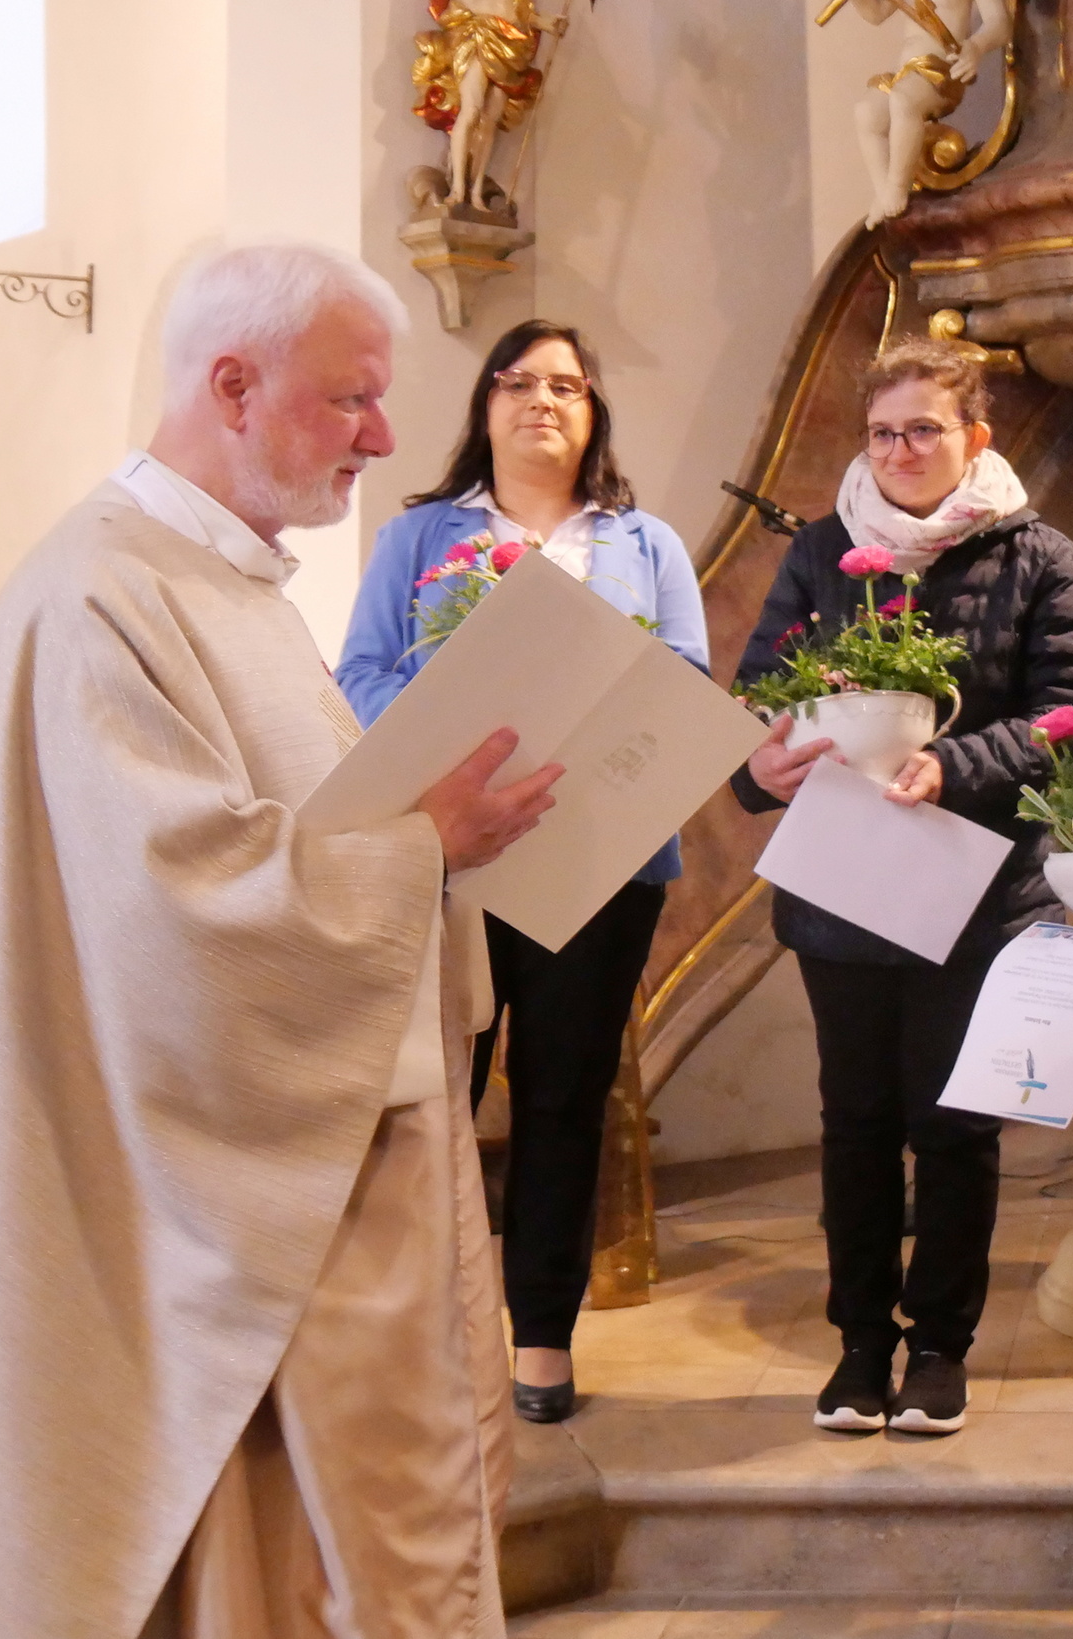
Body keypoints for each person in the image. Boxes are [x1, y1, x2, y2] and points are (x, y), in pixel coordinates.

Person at [0, 243, 563, 1639]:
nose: (385, 437)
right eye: (351, 399)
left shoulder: (231, 588)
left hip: (333, 1178)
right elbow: (172, 910)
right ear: (234, 384)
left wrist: (426, 843)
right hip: (220, 1222)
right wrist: (423, 849)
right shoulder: (101, 592)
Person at [730, 337, 1073, 1436]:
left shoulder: (1036, 552)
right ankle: (858, 1348)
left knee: (953, 1125)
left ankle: (939, 1346)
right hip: (845, 884)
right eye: (884, 431)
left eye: (925, 430)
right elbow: (763, 690)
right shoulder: (819, 549)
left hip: (974, 886)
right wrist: (761, 762)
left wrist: (960, 763)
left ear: (973, 440)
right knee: (853, 1122)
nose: (902, 450)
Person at [338, 318, 708, 1424]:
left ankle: (540, 1337)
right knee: (434, 1095)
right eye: (517, 382)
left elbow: (685, 678)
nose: (541, 400)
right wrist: (448, 708)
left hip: (601, 855)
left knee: (563, 1099)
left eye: (566, 385)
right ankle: (430, 1336)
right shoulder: (419, 539)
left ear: (593, 411)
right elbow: (355, 677)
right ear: (484, 406)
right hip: (449, 854)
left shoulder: (645, 543)